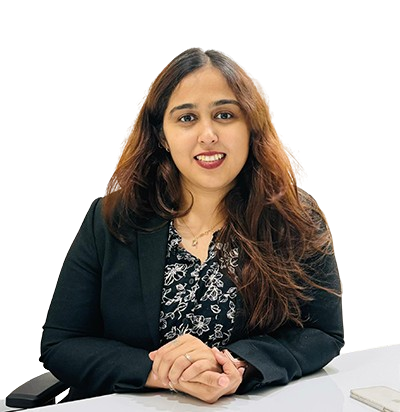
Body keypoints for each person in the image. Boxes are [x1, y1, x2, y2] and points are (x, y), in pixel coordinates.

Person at [41, 47, 344, 404]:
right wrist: (164, 373)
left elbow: (323, 333)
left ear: (251, 126)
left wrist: (236, 367)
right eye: (186, 118)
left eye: (225, 115)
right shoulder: (113, 217)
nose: (208, 134)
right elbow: (64, 343)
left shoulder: (294, 216)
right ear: (162, 136)